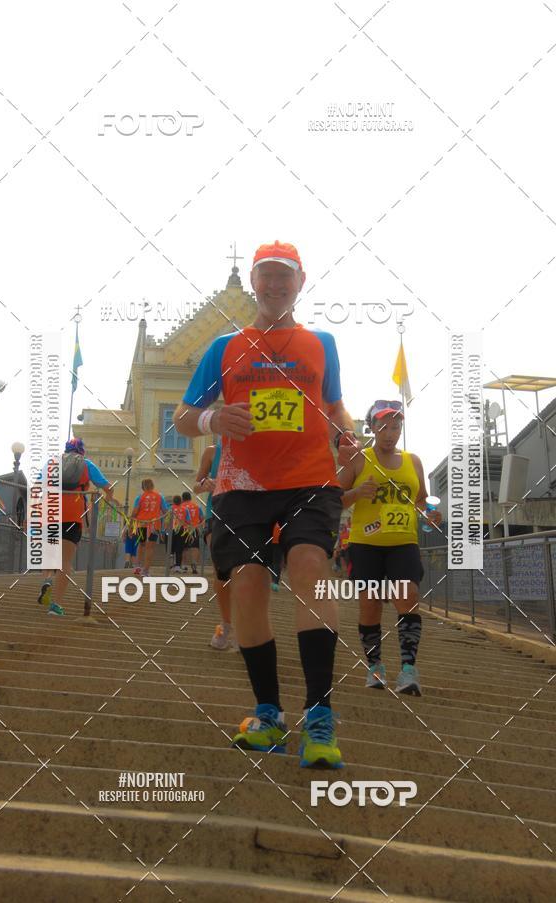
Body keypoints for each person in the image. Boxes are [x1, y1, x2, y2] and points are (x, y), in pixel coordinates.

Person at [174, 240, 359, 769]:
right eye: (266, 278)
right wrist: (214, 419)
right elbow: (185, 416)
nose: (275, 286)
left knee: (309, 566)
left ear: (301, 283)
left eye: (286, 278)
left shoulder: (322, 344)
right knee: (249, 583)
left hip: (308, 480)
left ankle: (320, 716)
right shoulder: (225, 347)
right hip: (241, 485)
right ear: (254, 284)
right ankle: (269, 712)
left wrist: (346, 434)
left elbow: (335, 404)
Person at [338, 400, 441, 696]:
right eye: (383, 426)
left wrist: (429, 514)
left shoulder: (414, 461)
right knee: (370, 604)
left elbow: (420, 499)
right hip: (366, 544)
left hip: (403, 542)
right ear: (372, 428)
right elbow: (333, 497)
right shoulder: (359, 459)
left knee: (407, 596)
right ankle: (375, 666)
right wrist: (356, 493)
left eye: (396, 426)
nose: (390, 433)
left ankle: (408, 670)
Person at [37, 438, 114, 617]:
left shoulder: (52, 463)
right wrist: (102, 505)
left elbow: (38, 487)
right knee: (65, 561)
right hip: (73, 515)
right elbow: (108, 488)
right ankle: (56, 606)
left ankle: (47, 579)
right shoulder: (87, 465)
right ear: (82, 452)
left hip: (50, 513)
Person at [194, 442, 235, 649]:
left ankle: (243, 626)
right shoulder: (212, 451)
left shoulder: (257, 448)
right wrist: (206, 484)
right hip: (216, 514)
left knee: (245, 572)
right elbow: (196, 486)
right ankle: (226, 625)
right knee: (221, 569)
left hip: (247, 515)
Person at [130, 479, 169, 577]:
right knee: (150, 548)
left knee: (141, 545)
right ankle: (146, 571)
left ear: (143, 487)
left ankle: (137, 566)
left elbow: (134, 512)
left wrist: (131, 526)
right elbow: (166, 511)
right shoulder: (159, 497)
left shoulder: (140, 497)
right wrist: (165, 524)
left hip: (141, 524)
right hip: (153, 525)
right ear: (152, 485)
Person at [179, 491, 204, 575]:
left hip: (183, 529)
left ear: (182, 499)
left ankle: (183, 565)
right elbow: (203, 518)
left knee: (183, 548)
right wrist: (198, 525)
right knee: (195, 547)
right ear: (190, 498)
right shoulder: (197, 506)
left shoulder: (181, 506)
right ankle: (194, 564)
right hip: (194, 528)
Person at [169, 494, 185, 572]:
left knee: (171, 548)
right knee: (179, 549)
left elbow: (166, 520)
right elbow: (188, 521)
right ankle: (178, 566)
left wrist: (163, 530)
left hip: (171, 529)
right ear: (181, 501)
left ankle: (171, 565)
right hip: (181, 530)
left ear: (173, 501)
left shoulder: (170, 509)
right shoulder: (185, 509)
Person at [270, 523, 283, 592]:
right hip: (274, 542)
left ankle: (275, 582)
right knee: (275, 562)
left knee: (275, 562)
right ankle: (274, 582)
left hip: (277, 543)